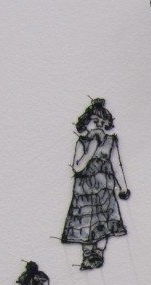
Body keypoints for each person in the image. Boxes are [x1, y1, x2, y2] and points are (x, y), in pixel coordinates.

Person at [61, 98, 131, 270]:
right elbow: (77, 167)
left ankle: (98, 254)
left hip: (105, 191)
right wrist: (92, 147)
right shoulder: (82, 142)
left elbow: (116, 165)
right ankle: (87, 255)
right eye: (95, 122)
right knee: (85, 223)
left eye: (103, 123)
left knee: (104, 223)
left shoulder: (111, 141)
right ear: (87, 123)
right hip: (84, 192)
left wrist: (123, 187)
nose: (99, 126)